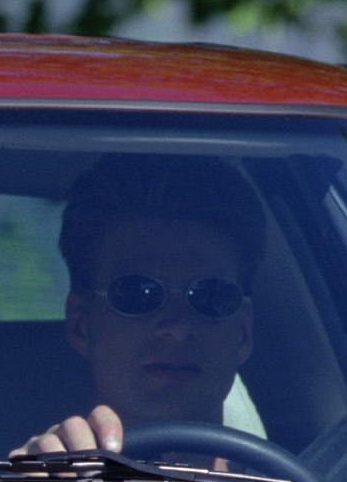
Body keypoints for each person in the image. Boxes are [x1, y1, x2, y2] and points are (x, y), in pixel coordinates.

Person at [14, 155, 268, 458]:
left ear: (243, 332)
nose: (177, 327)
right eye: (139, 294)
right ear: (80, 323)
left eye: (210, 296)